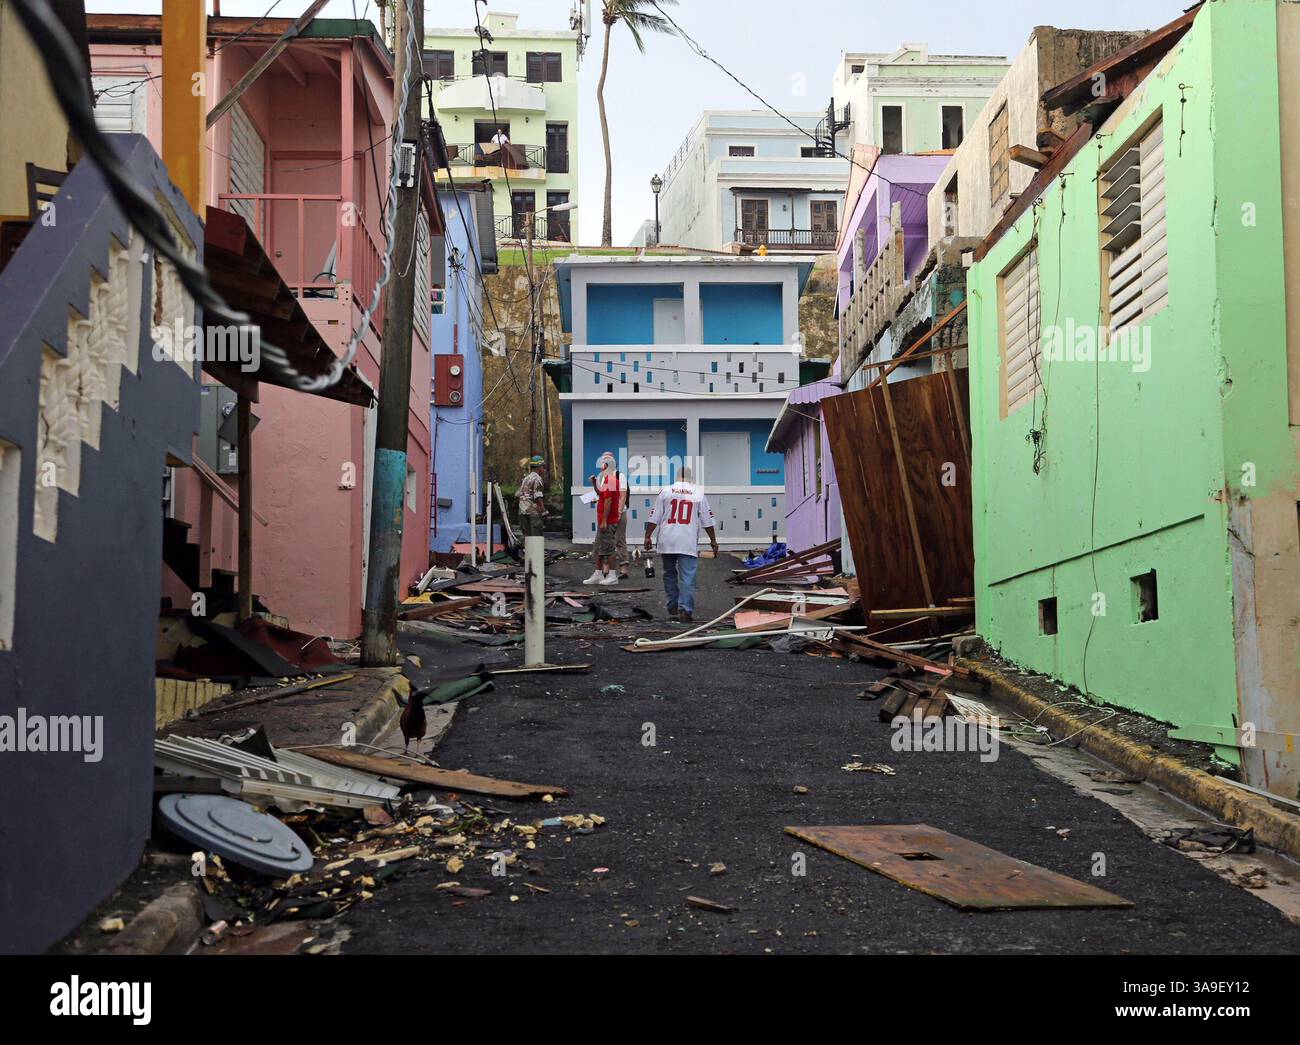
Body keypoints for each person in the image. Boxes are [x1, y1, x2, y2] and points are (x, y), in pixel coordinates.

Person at [643, 467, 718, 622]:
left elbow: (654, 517)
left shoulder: (665, 491)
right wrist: (713, 540)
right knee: (687, 576)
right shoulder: (698, 493)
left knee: (669, 574)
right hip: (687, 540)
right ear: (690, 478)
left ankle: (672, 606)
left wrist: (647, 536)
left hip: (667, 539)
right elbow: (707, 521)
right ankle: (685, 610)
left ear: (677, 476)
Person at [585, 451, 627, 585]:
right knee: (598, 548)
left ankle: (612, 575)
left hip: (608, 520)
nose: (600, 465)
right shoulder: (605, 478)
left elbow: (608, 501)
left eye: (603, 463)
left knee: (608, 548)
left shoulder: (612, 479)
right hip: (603, 519)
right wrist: (593, 482)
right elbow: (601, 494)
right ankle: (598, 574)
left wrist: (604, 520)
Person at [517, 455, 547, 537]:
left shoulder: (526, 478)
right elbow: (538, 496)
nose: (544, 469)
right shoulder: (537, 478)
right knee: (536, 537)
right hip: (533, 513)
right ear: (539, 467)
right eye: (543, 467)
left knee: (527, 537)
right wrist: (543, 510)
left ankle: (524, 549)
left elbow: (519, 494)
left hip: (522, 512)